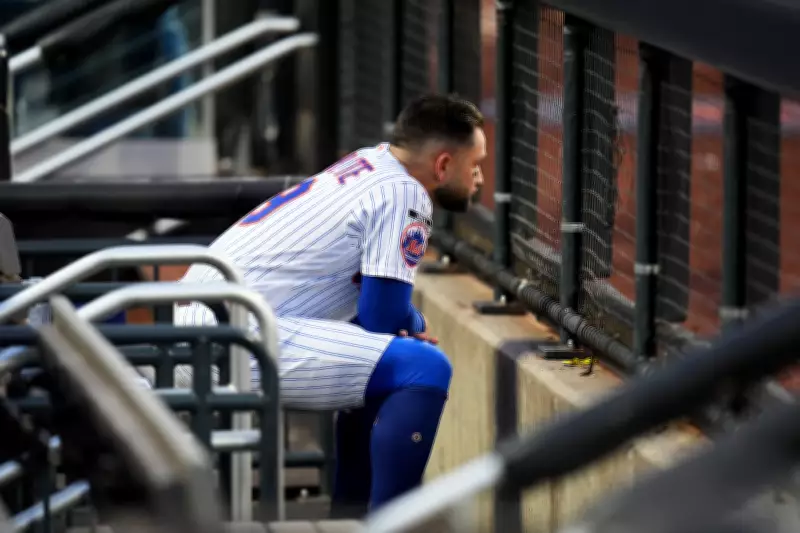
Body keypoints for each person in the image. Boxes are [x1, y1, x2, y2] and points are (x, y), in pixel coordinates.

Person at [173, 93, 486, 515]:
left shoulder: (371, 161)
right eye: (475, 165)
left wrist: (403, 323)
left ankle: (351, 519)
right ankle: (394, 525)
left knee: (387, 363)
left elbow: (376, 320)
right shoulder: (403, 193)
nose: (480, 177)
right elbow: (382, 316)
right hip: (233, 334)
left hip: (206, 319)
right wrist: (412, 320)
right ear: (444, 165)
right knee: (423, 368)